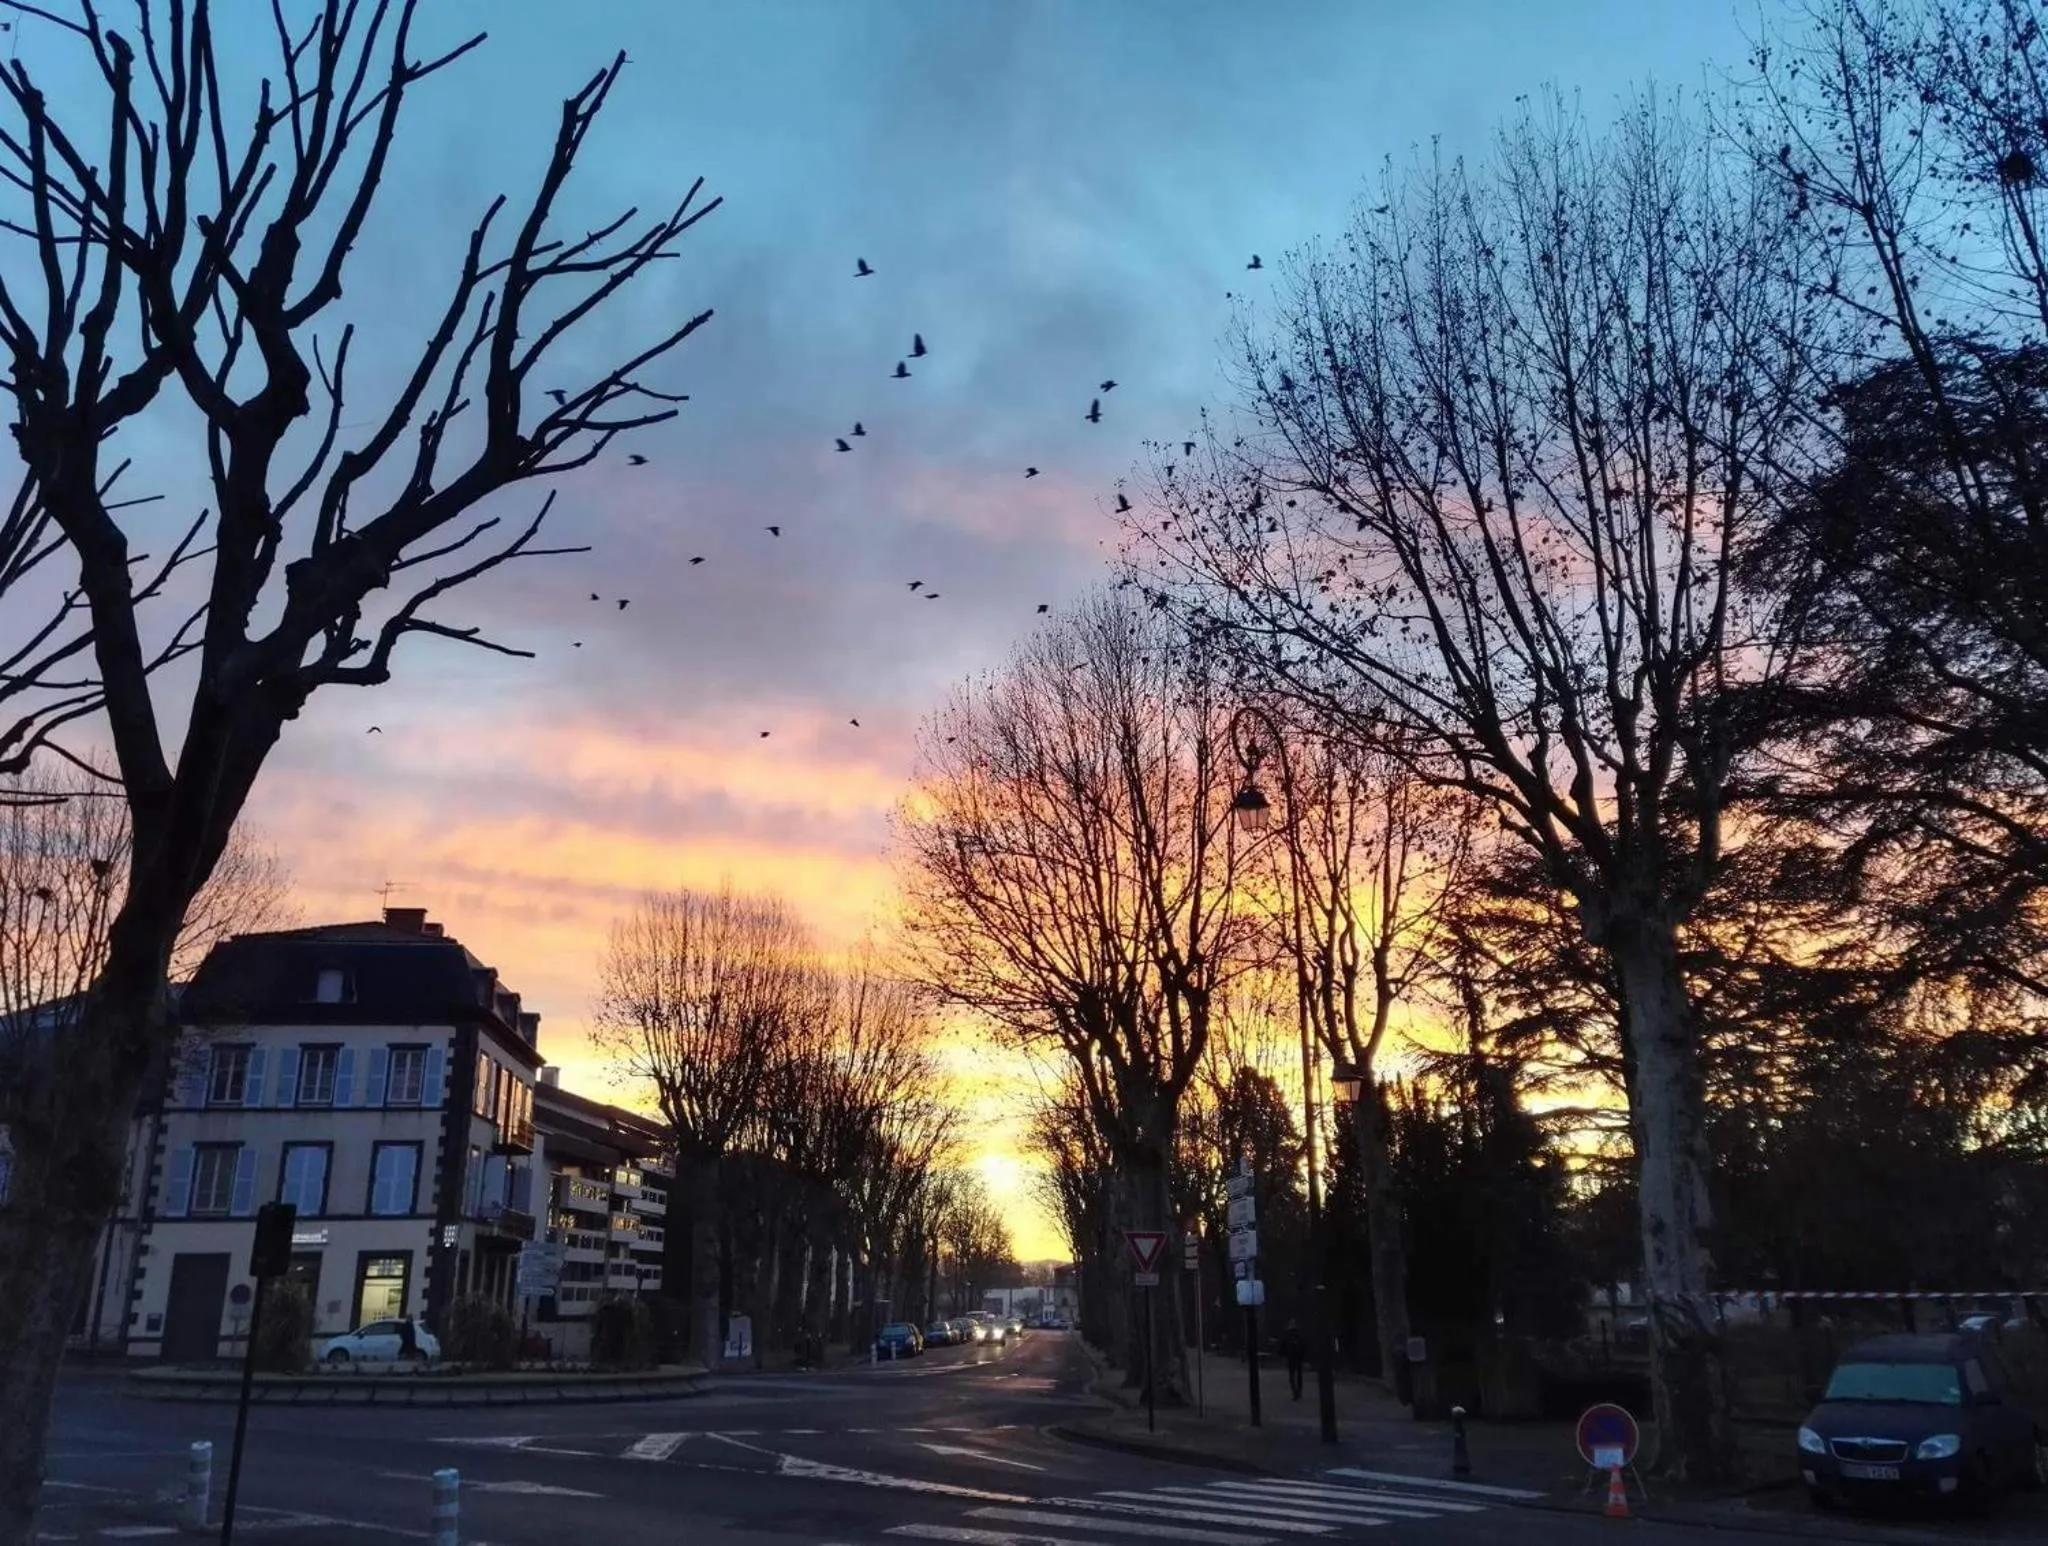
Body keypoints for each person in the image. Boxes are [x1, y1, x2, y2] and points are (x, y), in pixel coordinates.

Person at [1279, 1318, 1306, 1400]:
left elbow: (1283, 1346)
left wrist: (1283, 1355)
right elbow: (1303, 1345)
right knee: (1299, 1375)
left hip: (1291, 1357)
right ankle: (1299, 1391)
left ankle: (1295, 1391)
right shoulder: (1299, 1334)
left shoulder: (1287, 1334)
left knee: (1292, 1375)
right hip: (1298, 1357)